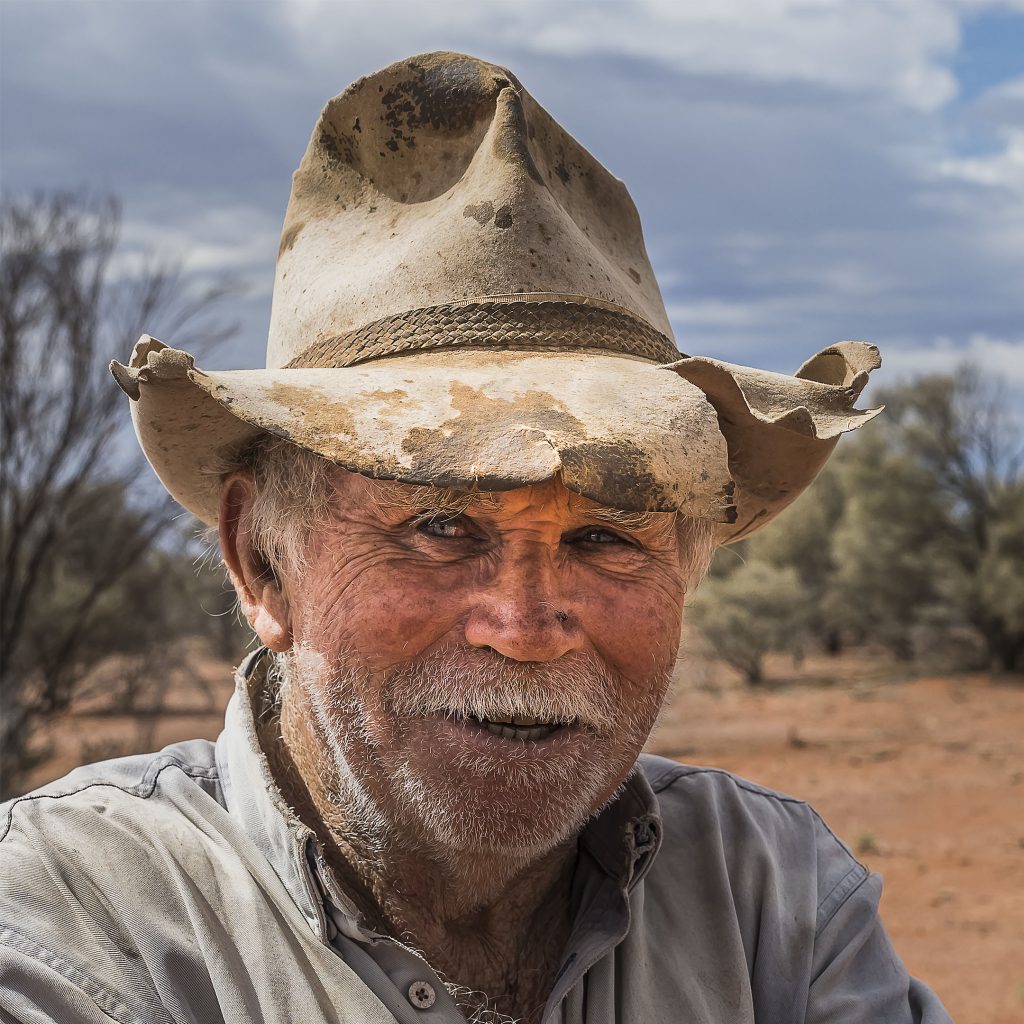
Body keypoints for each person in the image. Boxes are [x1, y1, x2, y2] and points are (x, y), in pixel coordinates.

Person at [0, 52, 952, 1023]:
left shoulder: (773, 902)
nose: (525, 626)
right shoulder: (64, 922)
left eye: (603, 537)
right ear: (263, 564)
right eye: (441, 525)